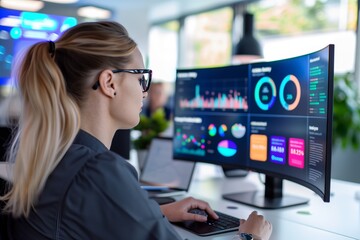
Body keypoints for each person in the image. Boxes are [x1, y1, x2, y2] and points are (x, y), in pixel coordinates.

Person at [0, 21, 272, 239]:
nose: (144, 91)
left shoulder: (53, 155)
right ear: (109, 82)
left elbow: (82, 212)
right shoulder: (98, 170)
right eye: (141, 78)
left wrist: (153, 211)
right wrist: (249, 237)